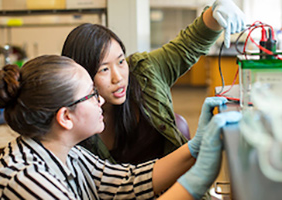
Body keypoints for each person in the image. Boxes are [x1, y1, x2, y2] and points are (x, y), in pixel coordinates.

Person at [0, 55, 241, 200]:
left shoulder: (64, 150)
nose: (101, 100)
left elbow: (124, 182)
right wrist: (193, 184)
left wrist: (196, 147)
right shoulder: (27, 181)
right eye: (91, 94)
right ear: (65, 118)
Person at [61, 0, 246, 166]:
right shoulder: (71, 122)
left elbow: (188, 45)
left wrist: (215, 12)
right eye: (104, 69)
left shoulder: (145, 71)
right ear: (81, 75)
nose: (118, 78)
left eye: (120, 61)